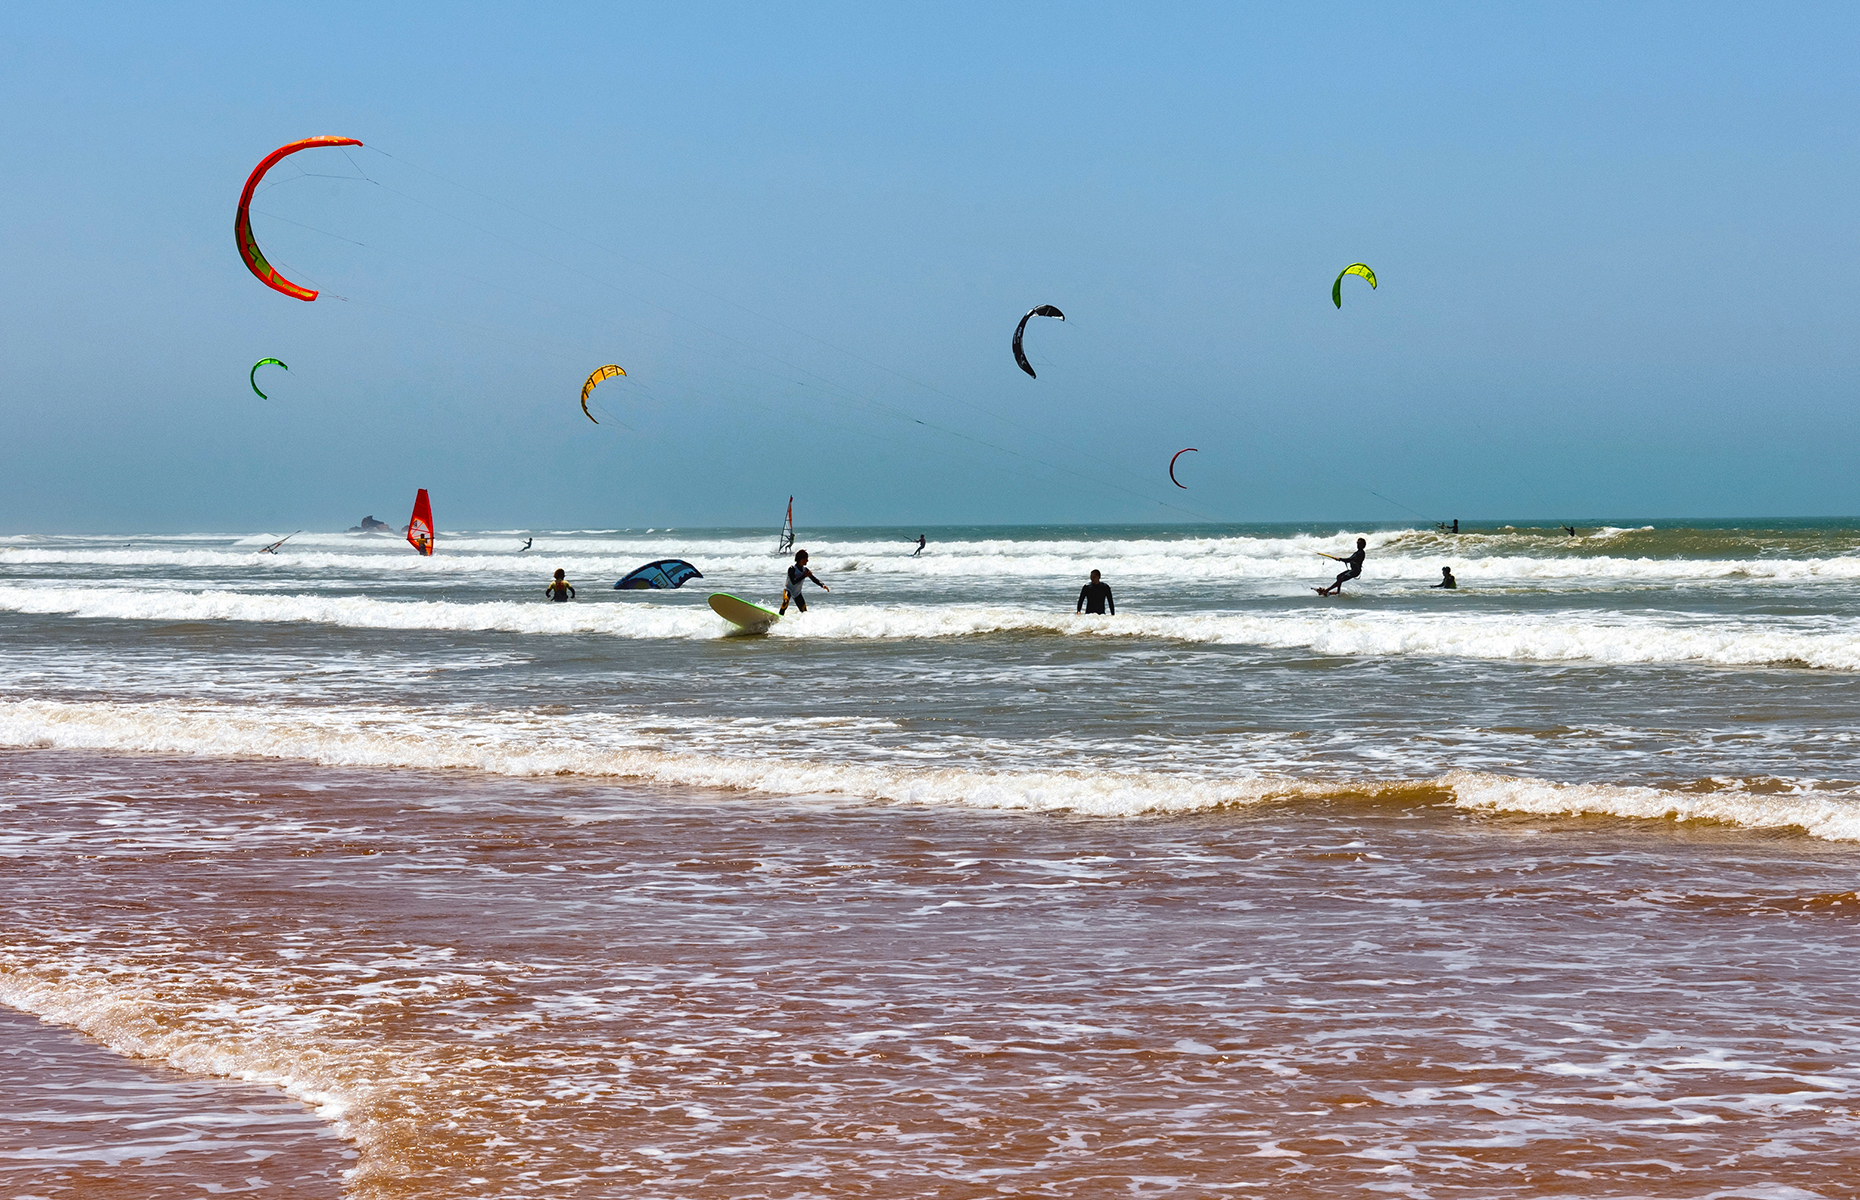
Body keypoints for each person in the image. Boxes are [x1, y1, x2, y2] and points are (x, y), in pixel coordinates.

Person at [781, 549, 828, 614]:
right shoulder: (792, 569)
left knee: (804, 611)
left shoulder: (805, 570)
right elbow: (793, 581)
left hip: (797, 592)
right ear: (802, 559)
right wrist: (804, 576)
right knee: (785, 602)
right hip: (788, 590)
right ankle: (779, 617)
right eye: (806, 559)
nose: (807, 560)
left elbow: (813, 579)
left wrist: (822, 585)